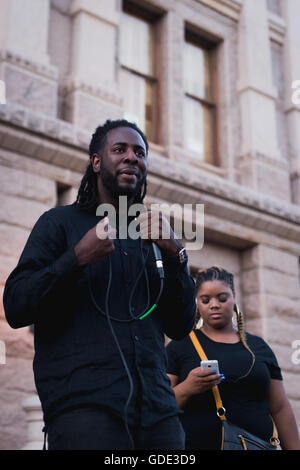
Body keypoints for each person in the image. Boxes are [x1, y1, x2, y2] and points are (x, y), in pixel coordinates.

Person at [3, 119, 196, 450]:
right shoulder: (58, 223)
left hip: (158, 413)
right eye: (119, 150)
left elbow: (181, 325)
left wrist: (177, 256)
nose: (131, 158)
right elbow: (17, 305)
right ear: (96, 161)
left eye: (140, 152)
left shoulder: (153, 238)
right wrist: (77, 257)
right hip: (84, 409)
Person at [166, 266, 300, 450]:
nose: (214, 305)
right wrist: (187, 388)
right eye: (205, 300)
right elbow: (160, 405)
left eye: (222, 298)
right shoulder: (180, 345)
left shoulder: (258, 346)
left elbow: (280, 408)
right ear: (196, 302)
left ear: (234, 297)